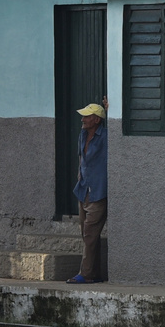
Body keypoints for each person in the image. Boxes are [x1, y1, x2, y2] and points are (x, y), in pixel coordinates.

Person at [68, 101, 109, 284]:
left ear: (97, 120)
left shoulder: (105, 137)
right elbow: (81, 159)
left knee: (90, 233)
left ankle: (85, 274)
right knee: (87, 234)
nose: (83, 120)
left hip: (98, 191)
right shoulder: (82, 135)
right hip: (84, 189)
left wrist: (111, 110)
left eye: (87, 116)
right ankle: (93, 273)